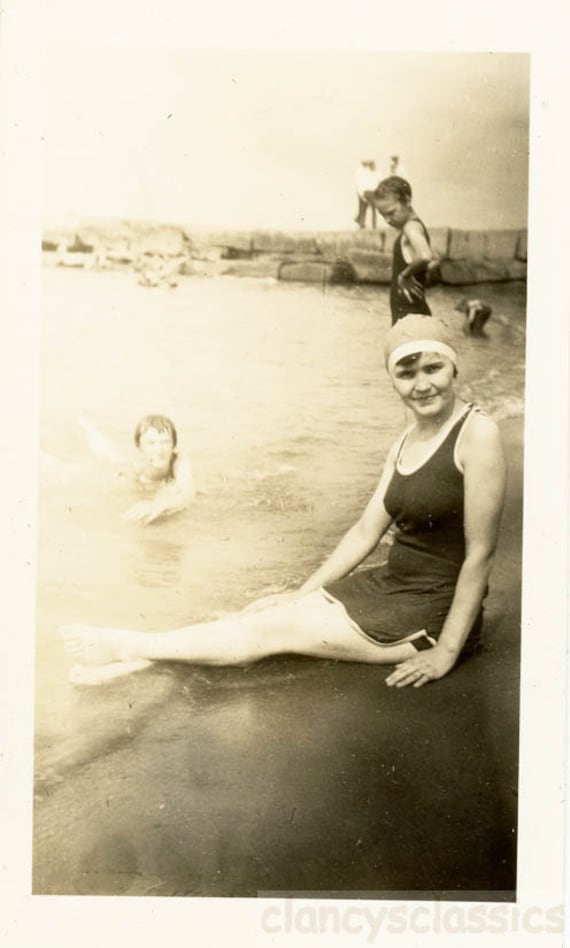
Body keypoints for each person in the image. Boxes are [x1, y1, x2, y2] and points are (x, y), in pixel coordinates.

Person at [63, 316, 506, 688]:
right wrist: (302, 592)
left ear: (454, 369)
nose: (422, 385)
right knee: (269, 607)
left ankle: (127, 643)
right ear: (392, 379)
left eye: (434, 369)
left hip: (431, 615)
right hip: (391, 586)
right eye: (407, 374)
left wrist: (447, 651)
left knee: (272, 628)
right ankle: (148, 657)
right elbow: (364, 532)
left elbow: (480, 556)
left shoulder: (477, 436)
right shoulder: (406, 440)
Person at [79, 413, 195, 524]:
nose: (159, 450)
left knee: (116, 458)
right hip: (132, 473)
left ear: (174, 446)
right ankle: (85, 426)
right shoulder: (133, 473)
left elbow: (187, 493)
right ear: (140, 447)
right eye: (151, 443)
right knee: (112, 460)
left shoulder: (179, 460)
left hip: (145, 477)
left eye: (165, 442)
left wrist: (156, 506)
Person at [366, 177, 434, 325]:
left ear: (407, 201)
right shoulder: (417, 226)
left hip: (408, 314)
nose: (387, 220)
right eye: (382, 215)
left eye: (391, 212)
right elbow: (435, 257)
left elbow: (425, 255)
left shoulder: (411, 227)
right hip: (413, 311)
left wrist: (404, 275)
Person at [354, 160, 380, 229]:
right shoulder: (364, 172)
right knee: (364, 209)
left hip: (371, 192)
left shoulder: (374, 172)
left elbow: (378, 182)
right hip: (366, 191)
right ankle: (362, 223)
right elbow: (361, 183)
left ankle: (369, 224)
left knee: (368, 209)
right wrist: (361, 194)